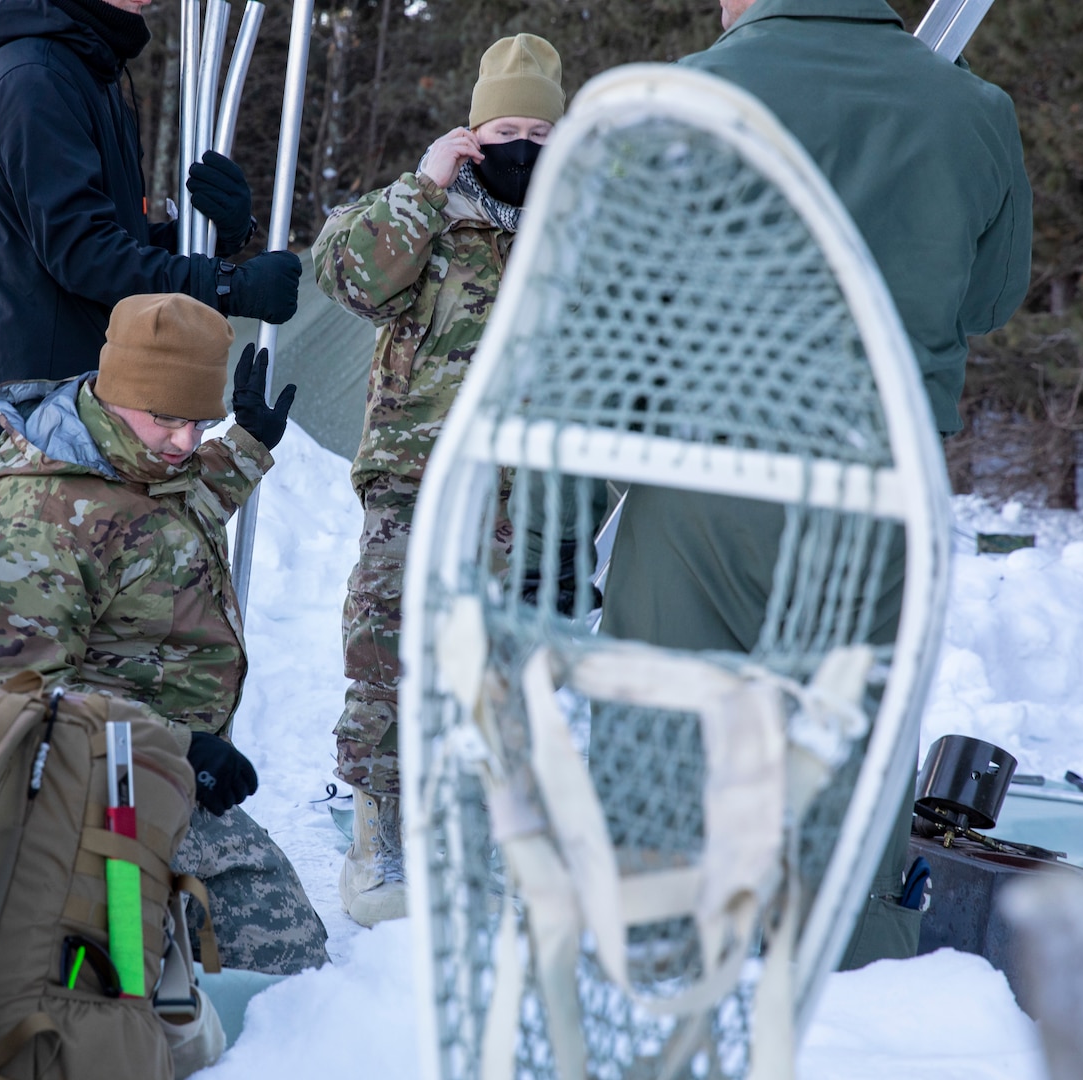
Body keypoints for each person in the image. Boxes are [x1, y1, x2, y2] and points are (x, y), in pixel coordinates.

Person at [599, 0, 1032, 966]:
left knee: (665, 767)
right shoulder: (972, 109)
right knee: (844, 775)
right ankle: (851, 1002)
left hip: (698, 485)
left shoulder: (680, 99)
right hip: (875, 491)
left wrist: (560, 527)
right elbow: (993, 298)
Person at [0, 292, 328, 975]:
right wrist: (183, 748)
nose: (188, 442)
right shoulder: (36, 518)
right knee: (283, 958)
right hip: (85, 788)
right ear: (118, 389)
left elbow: (158, 526)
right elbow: (7, 704)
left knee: (256, 964)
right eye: (168, 419)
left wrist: (245, 445)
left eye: (200, 422)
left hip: (153, 769)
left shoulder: (134, 460)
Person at [312, 34, 566, 926]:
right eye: (504, 126)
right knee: (386, 656)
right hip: (413, 478)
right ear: (470, 134)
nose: (522, 144)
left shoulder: (577, 227)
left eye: (540, 127)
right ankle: (377, 843)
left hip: (519, 493)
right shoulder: (424, 214)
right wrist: (423, 186)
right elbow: (347, 274)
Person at [0, 0, 302, 477]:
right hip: (52, 411)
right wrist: (229, 286)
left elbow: (113, 240)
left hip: (108, 396)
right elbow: (83, 253)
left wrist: (216, 238)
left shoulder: (88, 70)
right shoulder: (35, 76)